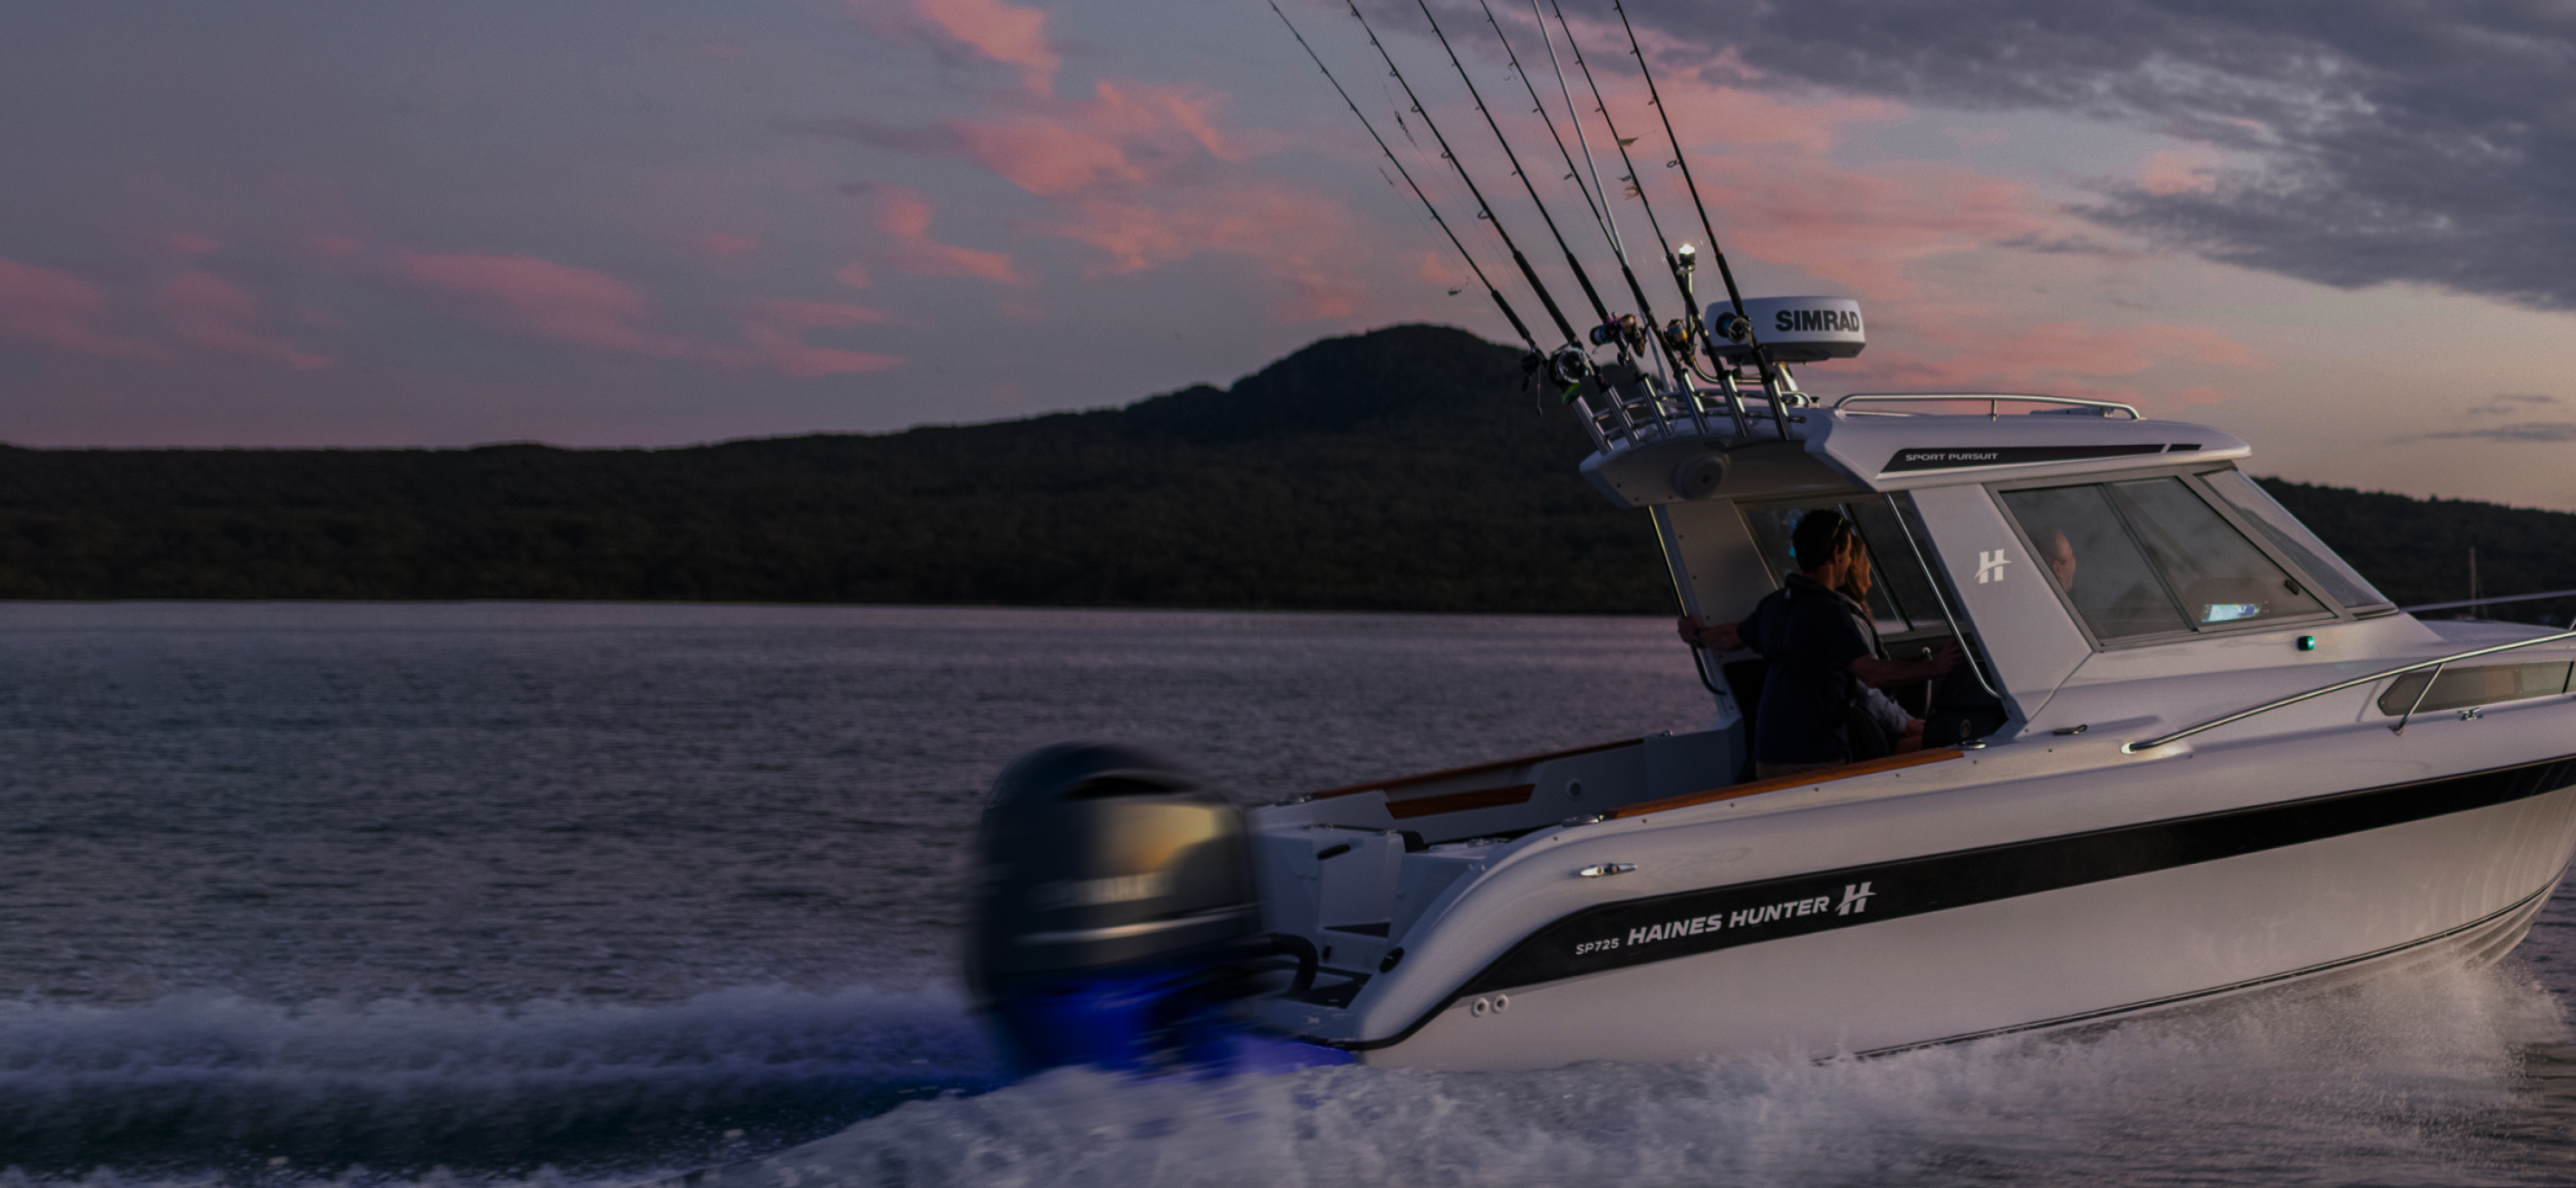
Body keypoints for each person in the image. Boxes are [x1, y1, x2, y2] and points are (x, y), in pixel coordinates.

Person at [1682, 510, 1959, 779]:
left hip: (1766, 755)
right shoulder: (1829, 611)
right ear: (1835, 555)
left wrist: (1697, 635)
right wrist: (1936, 666)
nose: (1850, 561)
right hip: (1814, 755)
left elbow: (1731, 638)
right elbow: (1871, 674)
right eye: (1850, 554)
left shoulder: (1774, 604)